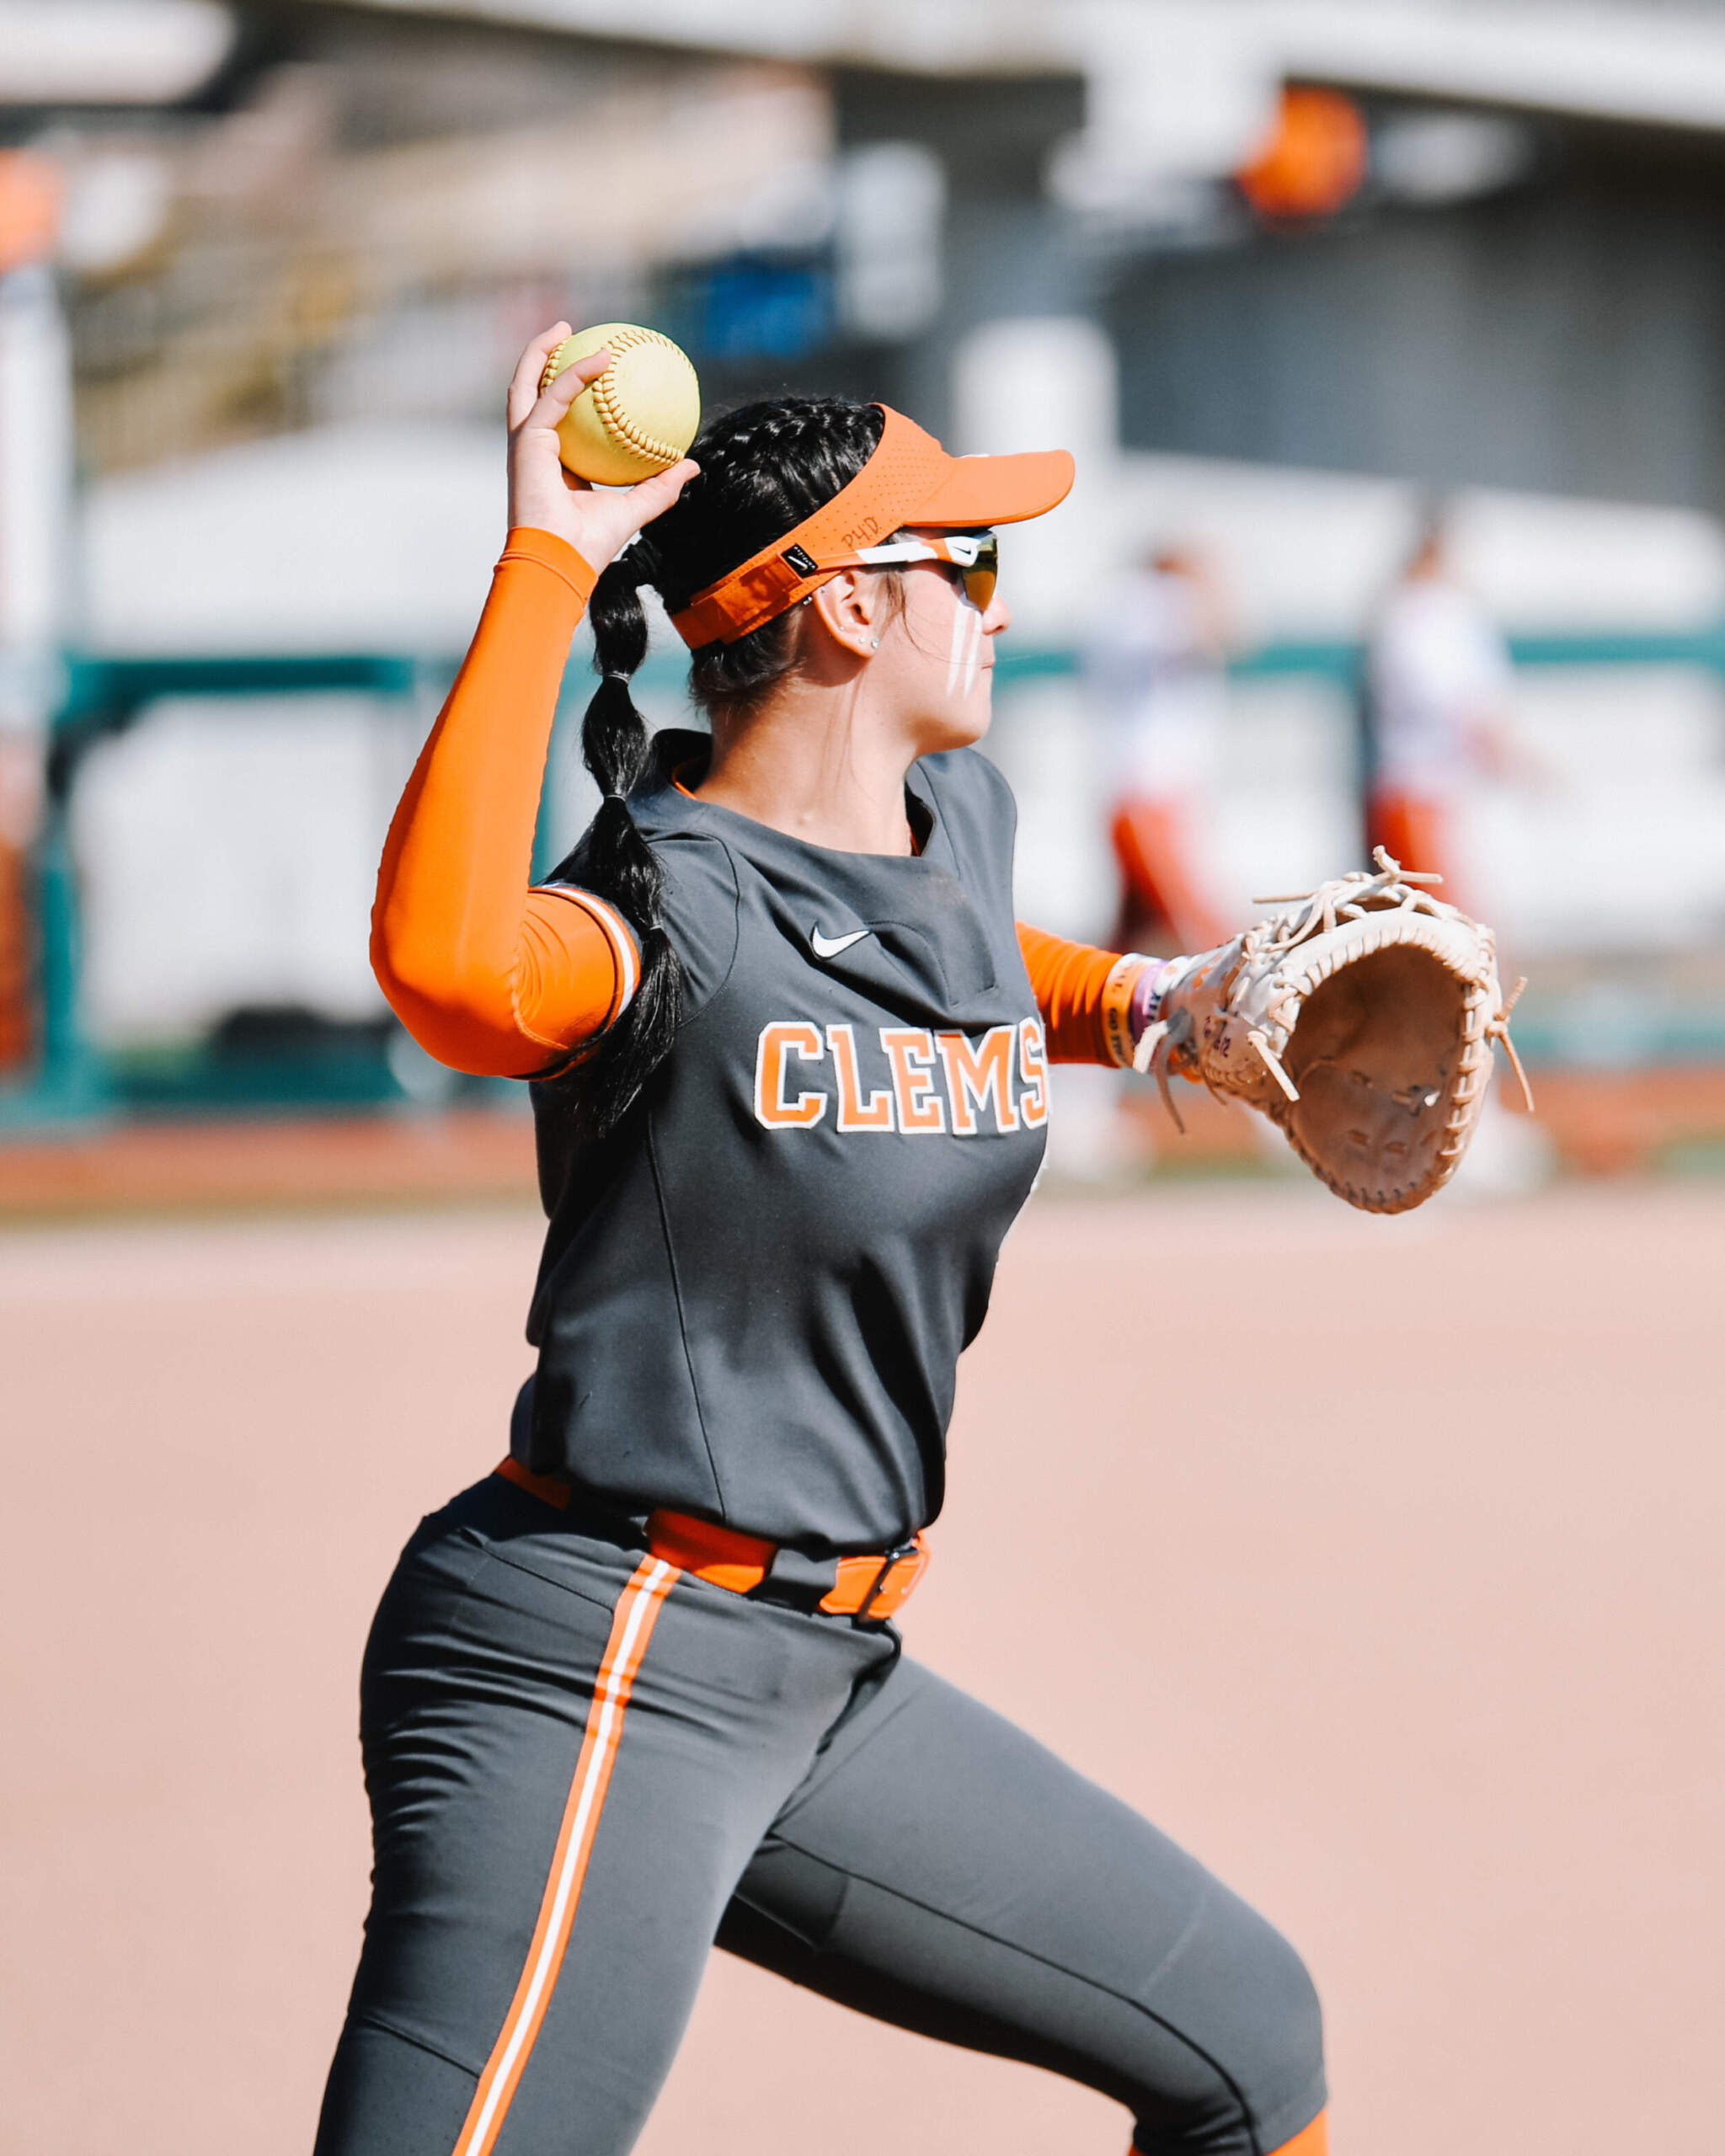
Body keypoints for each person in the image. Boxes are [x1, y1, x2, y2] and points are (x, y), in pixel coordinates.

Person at [315, 325, 1328, 2156]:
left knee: (1248, 2042)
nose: (1000, 600)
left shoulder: (956, 826)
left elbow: (957, 965)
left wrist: (1154, 1007)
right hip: (600, 1654)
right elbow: (448, 969)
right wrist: (543, 558)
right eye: (969, 561)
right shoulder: (665, 908)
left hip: (830, 1678)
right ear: (849, 606)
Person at [1086, 543, 1231, 958]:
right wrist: (1205, 585)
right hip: (1148, 800)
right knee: (1207, 936)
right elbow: (1225, 630)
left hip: (1152, 797)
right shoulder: (1150, 601)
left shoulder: (1128, 605)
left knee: (1127, 945)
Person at [1364, 515, 1518, 906]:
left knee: (1466, 912)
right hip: (1417, 784)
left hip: (1451, 785)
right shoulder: (1413, 612)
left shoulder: (1447, 610)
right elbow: (1443, 695)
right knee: (1441, 911)